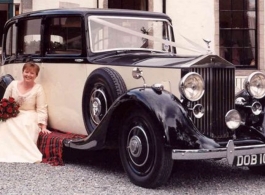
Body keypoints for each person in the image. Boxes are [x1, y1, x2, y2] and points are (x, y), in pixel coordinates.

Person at [0, 62, 50, 163]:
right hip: (14, 113)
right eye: (26, 72)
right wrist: (4, 112)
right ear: (22, 72)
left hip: (29, 113)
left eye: (32, 73)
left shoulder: (38, 88)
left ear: (36, 75)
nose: (28, 75)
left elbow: (41, 108)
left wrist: (43, 126)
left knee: (24, 123)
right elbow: (4, 101)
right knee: (6, 123)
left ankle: (22, 153)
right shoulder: (13, 85)